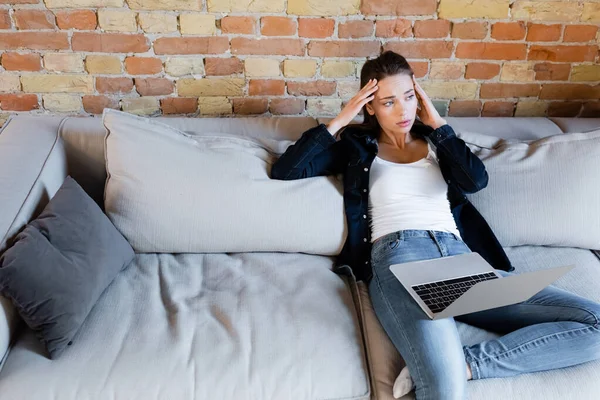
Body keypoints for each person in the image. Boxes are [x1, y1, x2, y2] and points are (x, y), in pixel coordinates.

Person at [270, 51, 600, 400]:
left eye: (409, 97)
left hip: (461, 261)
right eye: (387, 102)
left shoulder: (435, 143)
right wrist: (339, 120)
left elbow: (476, 181)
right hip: (401, 259)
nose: (402, 111)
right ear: (369, 106)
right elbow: (286, 170)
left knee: (594, 322)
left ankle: (469, 364)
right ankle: (448, 371)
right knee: (445, 391)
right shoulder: (356, 147)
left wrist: (440, 128)